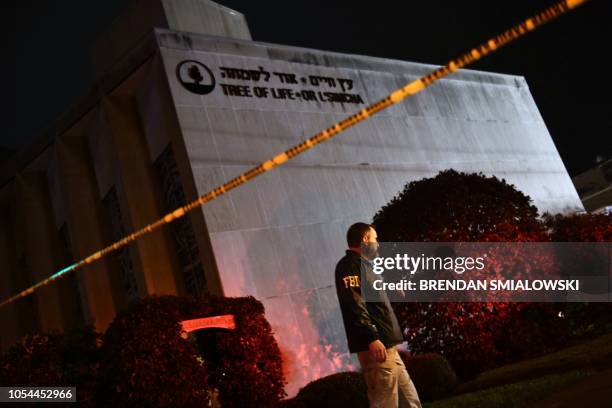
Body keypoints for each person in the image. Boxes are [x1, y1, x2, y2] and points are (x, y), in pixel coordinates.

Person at [335, 222, 422, 408]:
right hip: (377, 347)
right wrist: (371, 338)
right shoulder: (350, 267)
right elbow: (355, 304)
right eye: (375, 239)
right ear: (365, 239)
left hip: (387, 346)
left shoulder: (363, 266)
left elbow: (371, 299)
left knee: (410, 400)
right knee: (385, 402)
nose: (378, 244)